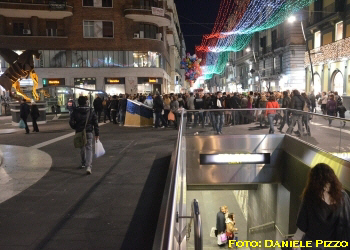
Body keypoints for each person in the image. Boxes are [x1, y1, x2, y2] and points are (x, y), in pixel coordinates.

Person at [290, 163, 350, 247]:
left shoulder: (310, 197)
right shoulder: (342, 197)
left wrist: (295, 240)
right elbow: (346, 224)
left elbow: (303, 222)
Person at [69, 96, 99, 175]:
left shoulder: (75, 111)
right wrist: (97, 133)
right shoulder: (91, 110)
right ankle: (89, 166)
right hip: (89, 131)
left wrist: (76, 127)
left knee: (82, 147)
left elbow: (71, 122)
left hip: (79, 132)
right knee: (89, 148)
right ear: (86, 102)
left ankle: (83, 162)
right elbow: (95, 123)